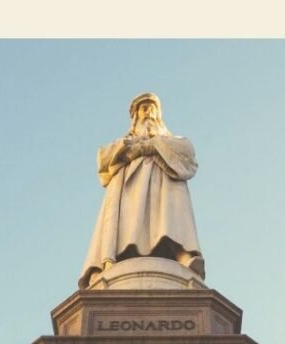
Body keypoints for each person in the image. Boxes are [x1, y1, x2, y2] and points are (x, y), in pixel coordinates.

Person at [80, 92, 203, 287]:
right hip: (128, 187)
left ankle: (183, 253)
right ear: (136, 116)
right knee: (126, 217)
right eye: (142, 108)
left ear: (158, 113)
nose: (147, 111)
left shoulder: (171, 140)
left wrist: (151, 146)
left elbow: (187, 152)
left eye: (151, 107)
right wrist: (129, 148)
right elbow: (103, 159)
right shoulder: (124, 141)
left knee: (171, 207)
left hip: (163, 184)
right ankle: (109, 262)